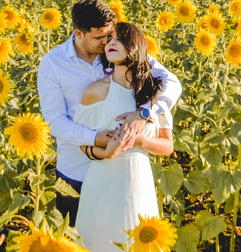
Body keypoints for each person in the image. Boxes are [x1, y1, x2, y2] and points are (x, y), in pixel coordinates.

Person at [37, 0, 181, 226]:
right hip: (77, 168)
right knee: (75, 238)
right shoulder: (53, 63)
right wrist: (94, 139)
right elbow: (54, 120)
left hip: (119, 172)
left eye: (109, 34)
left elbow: (171, 82)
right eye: (99, 37)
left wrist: (144, 113)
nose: (106, 42)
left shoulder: (118, 51)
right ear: (78, 34)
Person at [72, 22, 175, 252]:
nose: (110, 43)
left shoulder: (155, 94)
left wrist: (137, 140)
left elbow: (167, 146)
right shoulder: (95, 90)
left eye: (119, 39)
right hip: (101, 181)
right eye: (109, 39)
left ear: (136, 45)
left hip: (138, 183)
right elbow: (80, 141)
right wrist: (106, 152)